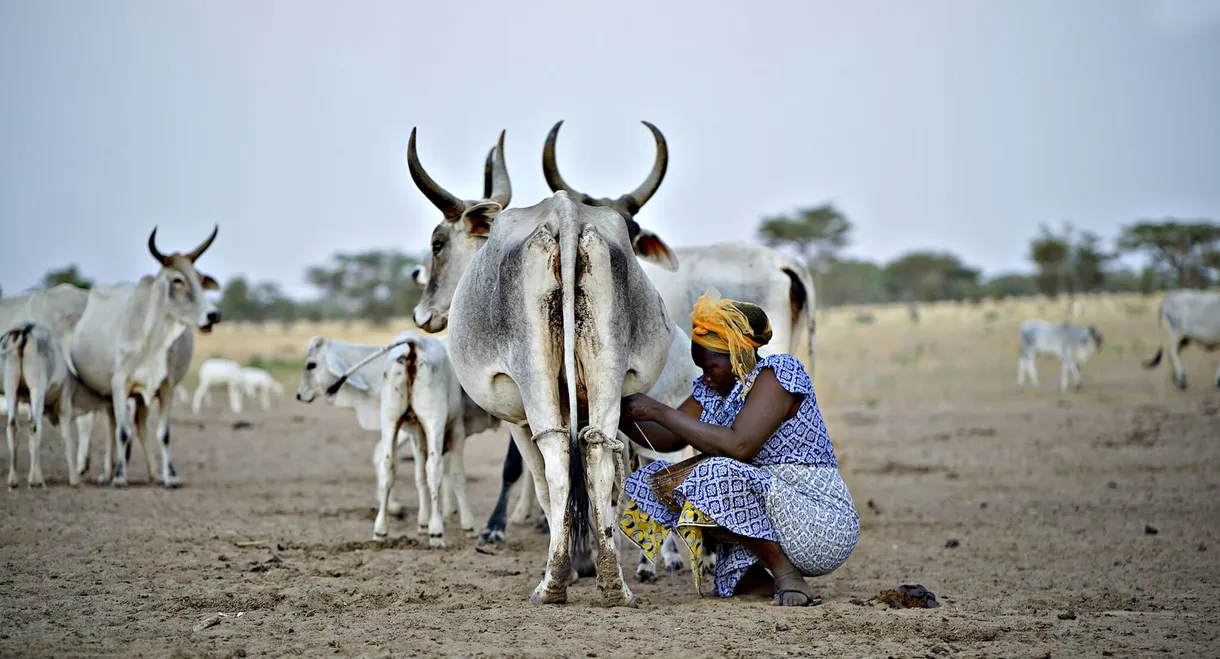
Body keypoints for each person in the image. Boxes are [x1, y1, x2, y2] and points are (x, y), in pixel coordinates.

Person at [618, 290, 859, 607]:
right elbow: (669, 438)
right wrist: (612, 411)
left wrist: (656, 409)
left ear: (736, 355)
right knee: (659, 480)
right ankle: (756, 577)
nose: (705, 376)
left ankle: (788, 575)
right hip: (772, 509)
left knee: (713, 472)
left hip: (816, 518)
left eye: (710, 367)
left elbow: (739, 445)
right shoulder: (715, 388)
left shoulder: (778, 374)